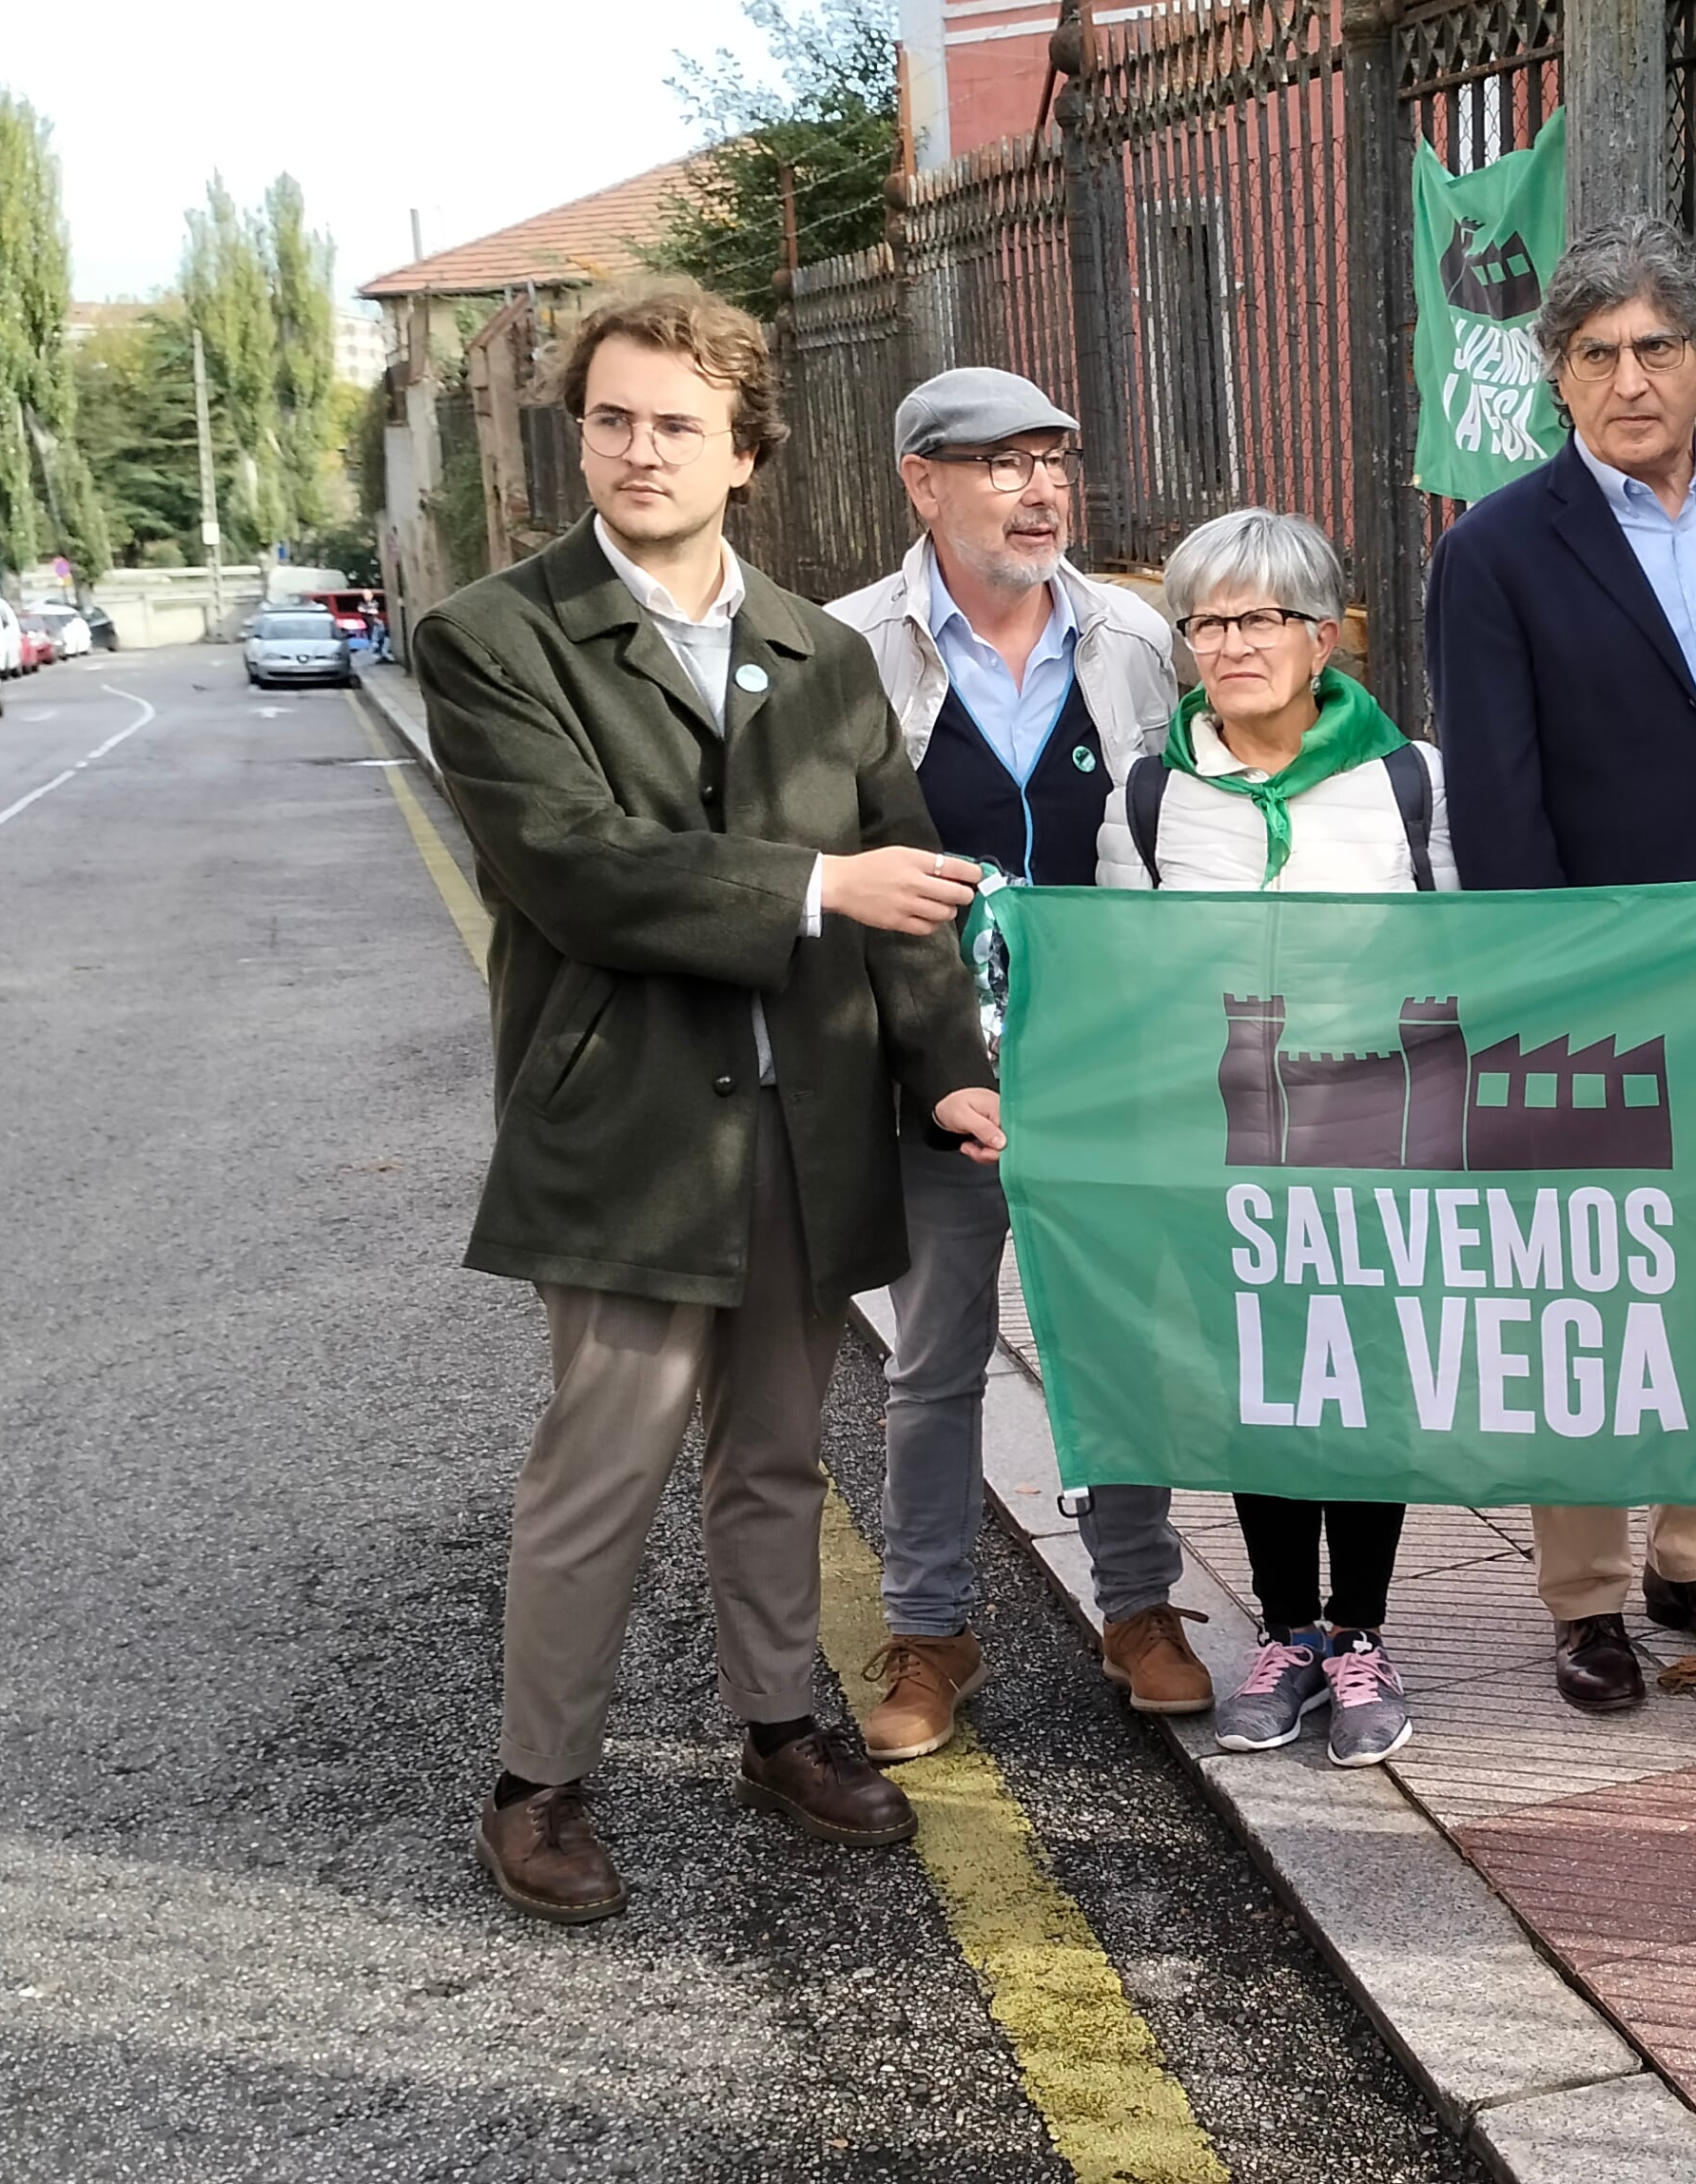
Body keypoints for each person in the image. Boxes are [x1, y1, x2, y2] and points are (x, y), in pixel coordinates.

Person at [417, 276, 1004, 1924]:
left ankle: (782, 1727)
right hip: (634, 1133)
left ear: (745, 450)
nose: (639, 451)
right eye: (612, 419)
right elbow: (582, 873)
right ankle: (540, 1784)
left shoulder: (821, 654)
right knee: (599, 1465)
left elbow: (917, 898)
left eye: (677, 424)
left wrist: (949, 1074)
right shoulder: (495, 637)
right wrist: (822, 886)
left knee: (773, 1461)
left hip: (806, 1127)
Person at [1425, 215, 1696, 1714]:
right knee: (1585, 1289)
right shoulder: (1496, 549)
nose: (1630, 375)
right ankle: (1588, 1597)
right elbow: (1495, 794)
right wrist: (1544, 988)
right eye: (1594, 352)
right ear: (1556, 376)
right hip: (1588, 985)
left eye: (1658, 346)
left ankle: (1694, 1554)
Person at [825, 366, 1213, 1763]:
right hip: (937, 1074)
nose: (1040, 488)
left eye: (1054, 459)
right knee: (933, 1366)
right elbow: (832, 881)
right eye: (1000, 464)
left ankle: (1141, 1605)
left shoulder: (1137, 638)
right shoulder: (845, 649)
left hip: (1111, 1071)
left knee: (1122, 1346)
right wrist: (920, 1065)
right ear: (922, 483)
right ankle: (932, 1630)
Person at [1094, 505, 1453, 1765]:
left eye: (1261, 618)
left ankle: (1361, 1633)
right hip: (1214, 1144)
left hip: (1368, 1132)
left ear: (1325, 634)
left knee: (1361, 1380)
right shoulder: (1149, 796)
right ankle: (1286, 1630)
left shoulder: (1409, 779)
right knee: (1261, 1377)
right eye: (1206, 619)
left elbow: (1457, 960)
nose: (1232, 644)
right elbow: (1118, 981)